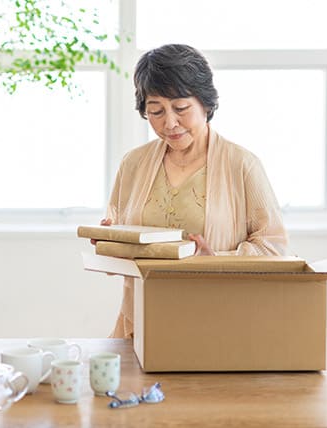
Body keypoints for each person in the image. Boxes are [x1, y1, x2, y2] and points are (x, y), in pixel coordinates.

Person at [102, 44, 289, 339]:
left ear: (205, 103)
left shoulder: (243, 165)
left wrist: (214, 261)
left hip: (218, 326)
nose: (170, 123)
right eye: (156, 111)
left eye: (181, 108)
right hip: (140, 324)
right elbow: (121, 238)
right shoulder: (133, 164)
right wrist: (110, 241)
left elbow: (273, 247)